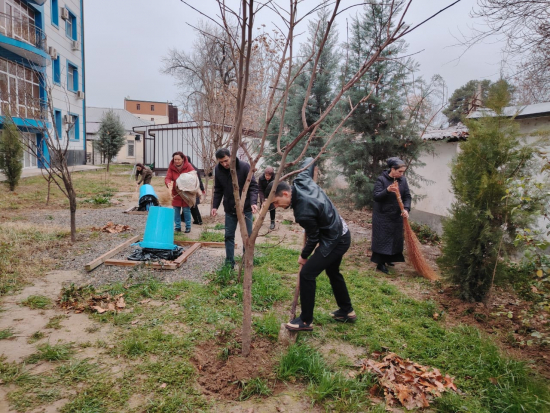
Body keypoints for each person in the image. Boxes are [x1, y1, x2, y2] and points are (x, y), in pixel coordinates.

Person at [268, 157, 355, 332]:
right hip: (342, 231)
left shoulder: (303, 212)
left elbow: (313, 238)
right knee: (332, 271)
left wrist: (303, 256)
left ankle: (306, 320)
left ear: (285, 194)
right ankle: (347, 310)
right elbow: (308, 160)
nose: (276, 206)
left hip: (335, 240)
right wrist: (313, 161)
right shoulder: (301, 179)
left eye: (276, 202)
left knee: (307, 274)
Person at [211, 148, 259, 268]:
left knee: (247, 237)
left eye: (226, 160)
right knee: (228, 236)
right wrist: (214, 206)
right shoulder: (218, 169)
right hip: (229, 208)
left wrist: (253, 202)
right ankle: (229, 263)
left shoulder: (244, 167)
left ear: (231, 156)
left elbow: (253, 186)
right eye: (221, 162)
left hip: (246, 208)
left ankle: (246, 261)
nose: (224, 164)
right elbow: (218, 189)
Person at [371, 157, 411, 274]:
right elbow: (376, 197)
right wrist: (387, 190)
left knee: (395, 239)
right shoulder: (381, 180)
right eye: (400, 171)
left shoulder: (403, 180)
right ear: (392, 169)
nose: (401, 174)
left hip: (396, 215)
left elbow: (407, 196)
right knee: (382, 239)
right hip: (382, 216)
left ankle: (390, 258)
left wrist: (406, 209)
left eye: (403, 172)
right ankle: (380, 263)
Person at [165, 151, 195, 233]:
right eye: (175, 159)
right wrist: (168, 184)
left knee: (186, 210)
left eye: (178, 159)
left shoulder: (188, 166)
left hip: (186, 192)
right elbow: (168, 177)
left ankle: (188, 227)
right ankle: (177, 227)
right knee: (176, 210)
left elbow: (194, 176)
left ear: (183, 159)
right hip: (176, 192)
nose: (177, 161)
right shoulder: (171, 167)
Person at [185, 156, 205, 225]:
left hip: (191, 190)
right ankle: (184, 218)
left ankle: (198, 220)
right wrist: (202, 189)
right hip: (195, 189)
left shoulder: (190, 170)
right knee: (190, 205)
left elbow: (198, 180)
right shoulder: (195, 168)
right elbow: (200, 180)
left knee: (193, 205)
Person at [258, 166, 276, 230]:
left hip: (272, 195)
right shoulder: (261, 178)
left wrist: (270, 198)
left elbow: (275, 189)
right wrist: (263, 199)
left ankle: (272, 222)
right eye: (266, 175)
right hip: (263, 194)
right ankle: (260, 221)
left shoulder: (275, 179)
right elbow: (260, 189)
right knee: (262, 207)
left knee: (272, 208)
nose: (267, 177)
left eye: (269, 176)